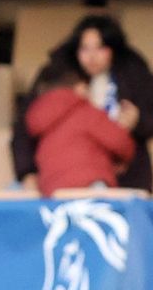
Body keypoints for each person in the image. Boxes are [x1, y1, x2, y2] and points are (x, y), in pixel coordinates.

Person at [12, 15, 153, 194]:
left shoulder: (133, 72)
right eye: (84, 48)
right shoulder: (57, 76)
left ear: (113, 49)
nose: (91, 57)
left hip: (126, 180)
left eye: (100, 47)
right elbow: (25, 126)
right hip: (60, 182)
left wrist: (139, 121)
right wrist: (27, 173)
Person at [24, 62, 137, 197]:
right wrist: (125, 129)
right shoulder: (86, 112)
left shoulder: (40, 118)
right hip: (91, 183)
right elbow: (120, 142)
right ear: (80, 88)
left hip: (53, 189)